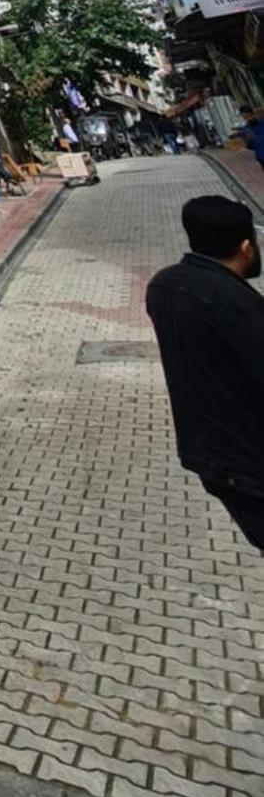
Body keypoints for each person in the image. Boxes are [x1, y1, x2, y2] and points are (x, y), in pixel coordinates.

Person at [146, 196, 264, 550]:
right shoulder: (238, 304)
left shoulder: (163, 286)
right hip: (251, 462)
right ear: (246, 248)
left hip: (210, 456)